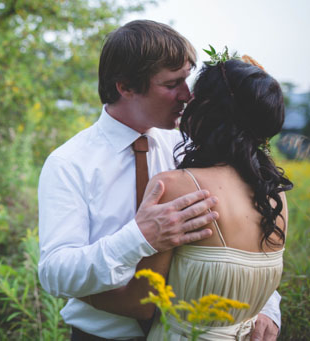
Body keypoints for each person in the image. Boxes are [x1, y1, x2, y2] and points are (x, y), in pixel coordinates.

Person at [37, 20, 282, 340]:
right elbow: (55, 274)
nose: (187, 95)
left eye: (187, 80)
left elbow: (239, 238)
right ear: (125, 87)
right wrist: (139, 236)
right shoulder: (69, 163)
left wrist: (266, 308)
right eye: (172, 84)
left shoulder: (194, 148)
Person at [85, 55, 291, 340]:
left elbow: (142, 303)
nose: (186, 98)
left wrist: (79, 296)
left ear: (207, 109)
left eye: (195, 94)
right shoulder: (274, 198)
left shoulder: (176, 187)